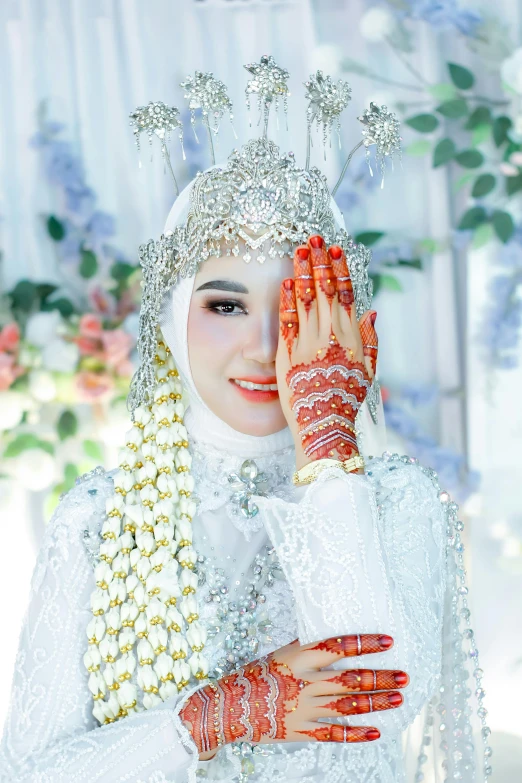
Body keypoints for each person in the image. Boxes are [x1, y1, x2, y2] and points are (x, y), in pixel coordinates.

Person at [0, 60, 489, 783]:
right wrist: (213, 716)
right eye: (226, 305)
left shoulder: (396, 500)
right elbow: (29, 771)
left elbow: (375, 704)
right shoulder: (100, 518)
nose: (265, 344)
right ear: (172, 319)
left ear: (344, 323)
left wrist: (327, 446)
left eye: (295, 307)